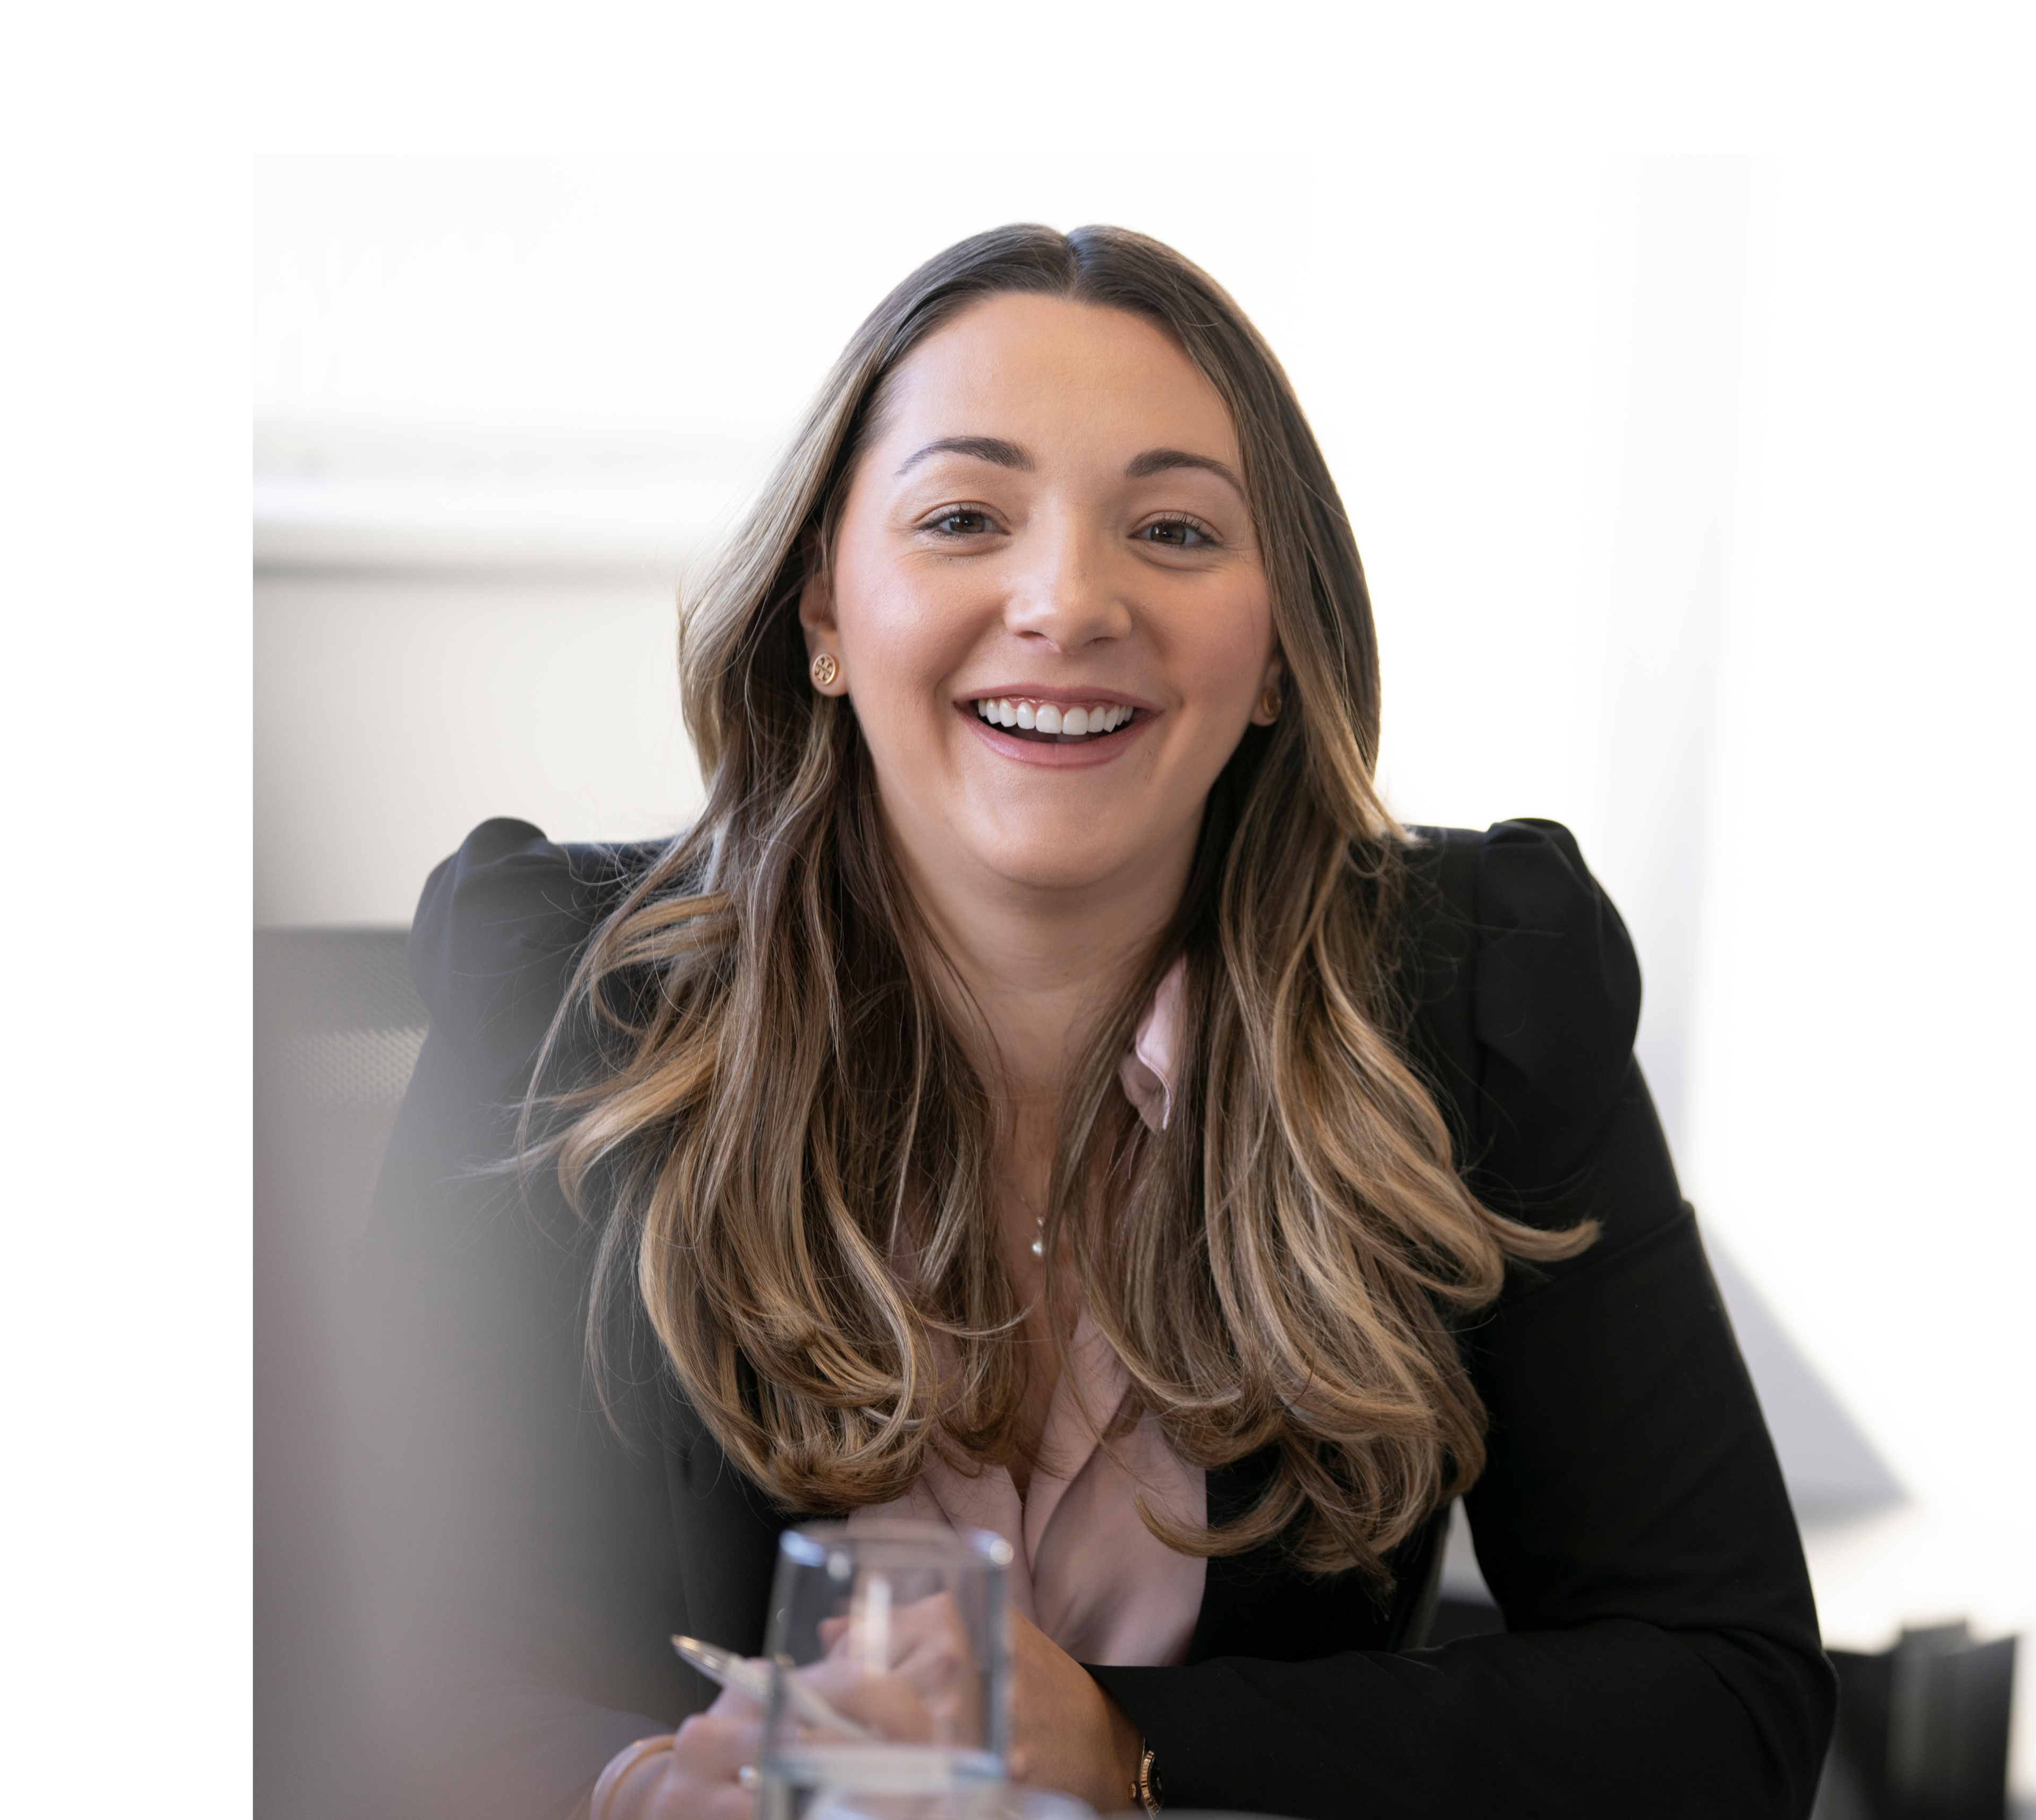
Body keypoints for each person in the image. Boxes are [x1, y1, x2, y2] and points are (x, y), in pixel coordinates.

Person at [353, 223, 1831, 1820]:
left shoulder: (1474, 995)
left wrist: (1126, 1745)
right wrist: (644, 1792)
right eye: (965, 517)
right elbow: (363, 1653)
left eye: (1177, 532)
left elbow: (1720, 1688)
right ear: (825, 618)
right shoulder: (568, 1000)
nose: (1067, 601)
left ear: (1277, 653)